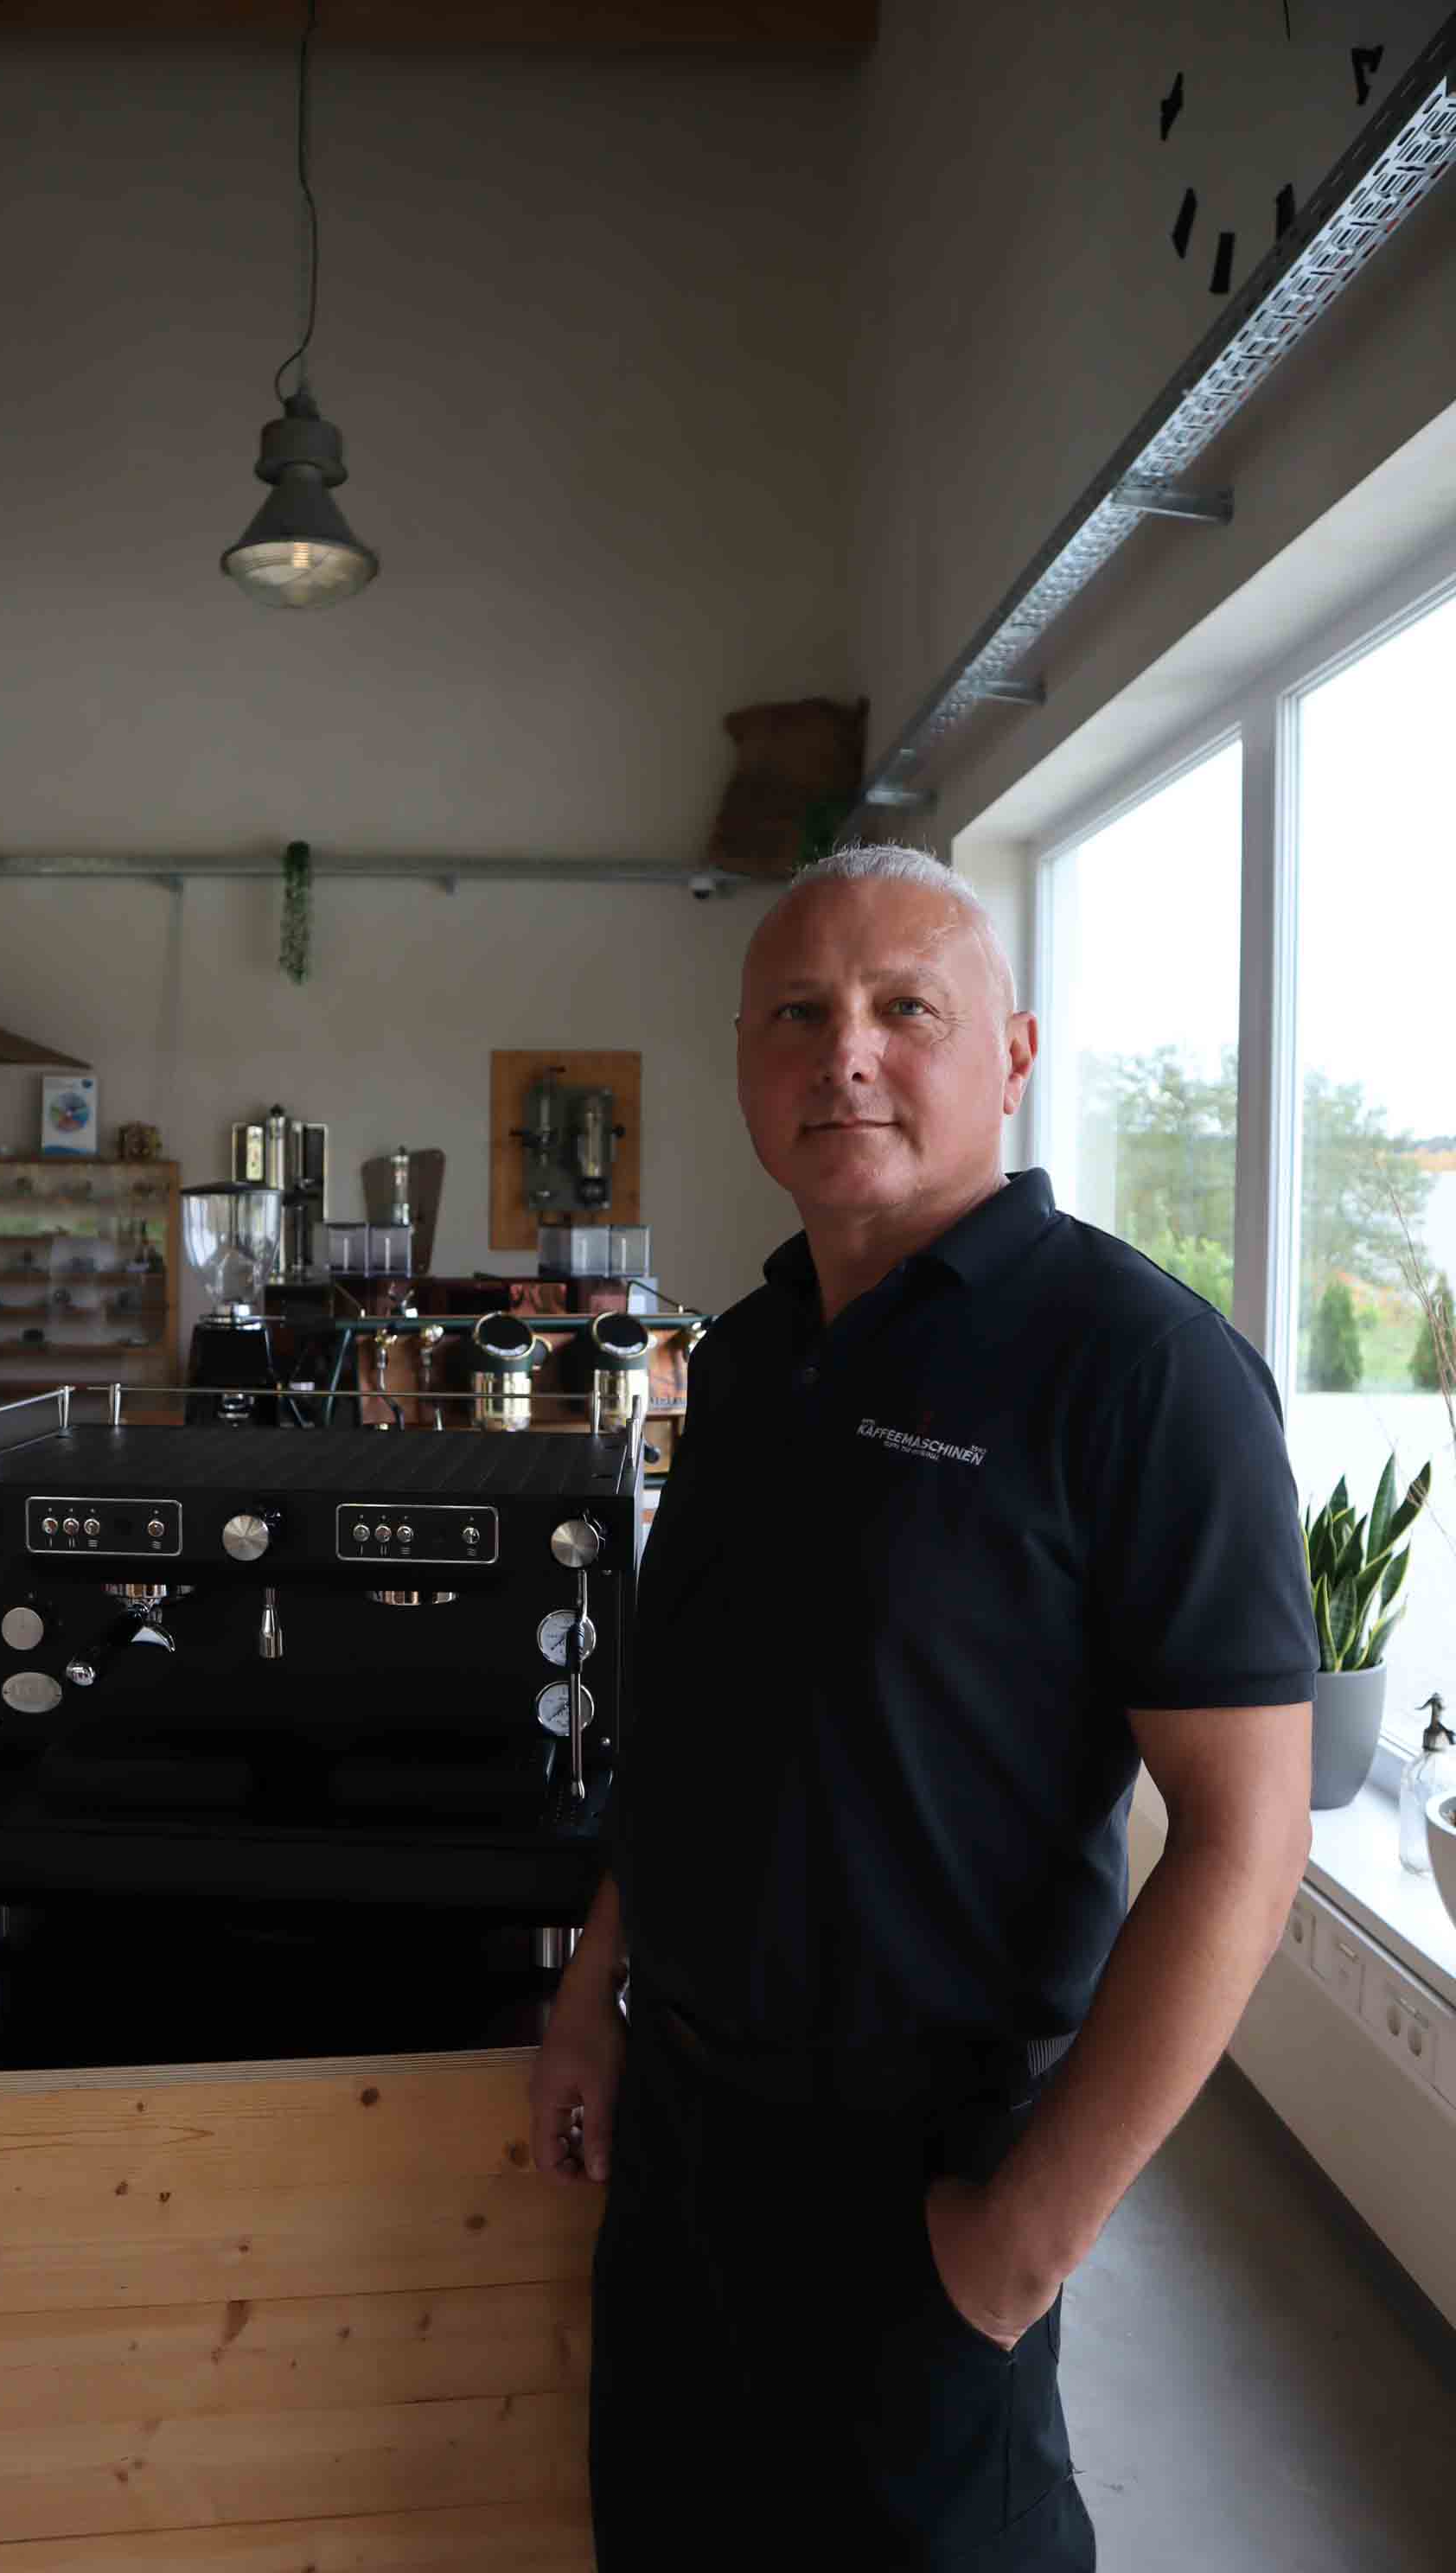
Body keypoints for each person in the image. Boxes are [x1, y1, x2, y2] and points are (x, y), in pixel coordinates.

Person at [528, 843, 1319, 2570]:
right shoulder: (740, 1359)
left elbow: (1247, 1840)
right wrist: (593, 1987)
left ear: (1011, 1055)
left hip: (927, 2170)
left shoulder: (1136, 1368)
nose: (846, 1055)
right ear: (743, 1056)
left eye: (905, 1010)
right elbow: (694, 1721)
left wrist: (1023, 2236)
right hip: (679, 2150)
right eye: (798, 1015)